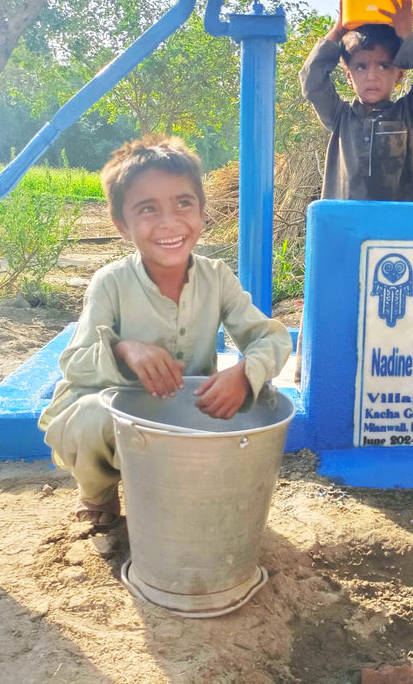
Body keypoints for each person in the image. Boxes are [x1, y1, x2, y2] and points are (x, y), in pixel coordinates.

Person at [38, 136, 292, 531]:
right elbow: (74, 364)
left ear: (203, 213)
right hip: (118, 414)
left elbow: (273, 339)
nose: (169, 222)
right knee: (89, 418)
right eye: (147, 209)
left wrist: (245, 374)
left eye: (183, 203)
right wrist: (123, 349)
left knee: (246, 418)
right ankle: (98, 493)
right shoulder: (110, 283)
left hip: (185, 415)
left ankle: (181, 485)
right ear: (122, 225)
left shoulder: (217, 278)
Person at [299, 0, 413, 202]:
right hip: (346, 226)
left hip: (392, 228)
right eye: (360, 67)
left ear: (400, 75)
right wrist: (337, 31)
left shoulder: (407, 114)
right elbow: (311, 79)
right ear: (348, 76)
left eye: (384, 66)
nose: (371, 76)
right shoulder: (339, 116)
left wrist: (407, 35)